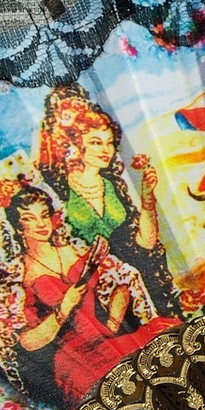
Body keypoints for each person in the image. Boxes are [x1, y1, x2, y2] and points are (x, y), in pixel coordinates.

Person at [5, 188, 179, 407]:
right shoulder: (22, 275)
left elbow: (123, 287)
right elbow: (29, 342)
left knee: (169, 350)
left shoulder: (74, 251)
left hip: (109, 338)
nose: (41, 224)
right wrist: (65, 306)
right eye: (30, 218)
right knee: (119, 391)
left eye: (44, 215)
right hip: (75, 358)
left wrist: (113, 322)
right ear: (18, 227)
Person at [38, 84, 178, 317]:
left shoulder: (112, 184)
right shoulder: (57, 191)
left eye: (110, 142)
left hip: (143, 282)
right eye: (96, 142)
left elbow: (146, 243)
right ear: (76, 143)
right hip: (96, 294)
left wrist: (147, 199)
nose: (106, 150)